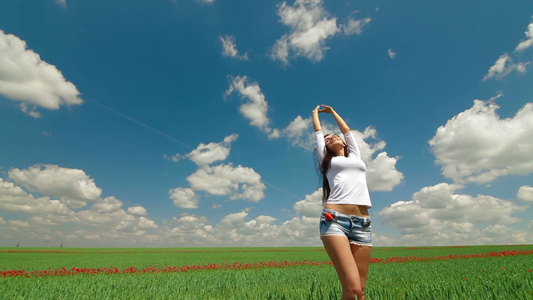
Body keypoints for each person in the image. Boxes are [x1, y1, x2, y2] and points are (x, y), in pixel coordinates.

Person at [312, 104, 372, 300]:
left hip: (363, 224)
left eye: (334, 136)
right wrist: (315, 114)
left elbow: (347, 132)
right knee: (353, 286)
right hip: (334, 220)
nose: (332, 138)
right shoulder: (327, 162)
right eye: (328, 140)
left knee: (359, 292)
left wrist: (333, 112)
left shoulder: (355, 155)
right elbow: (319, 134)